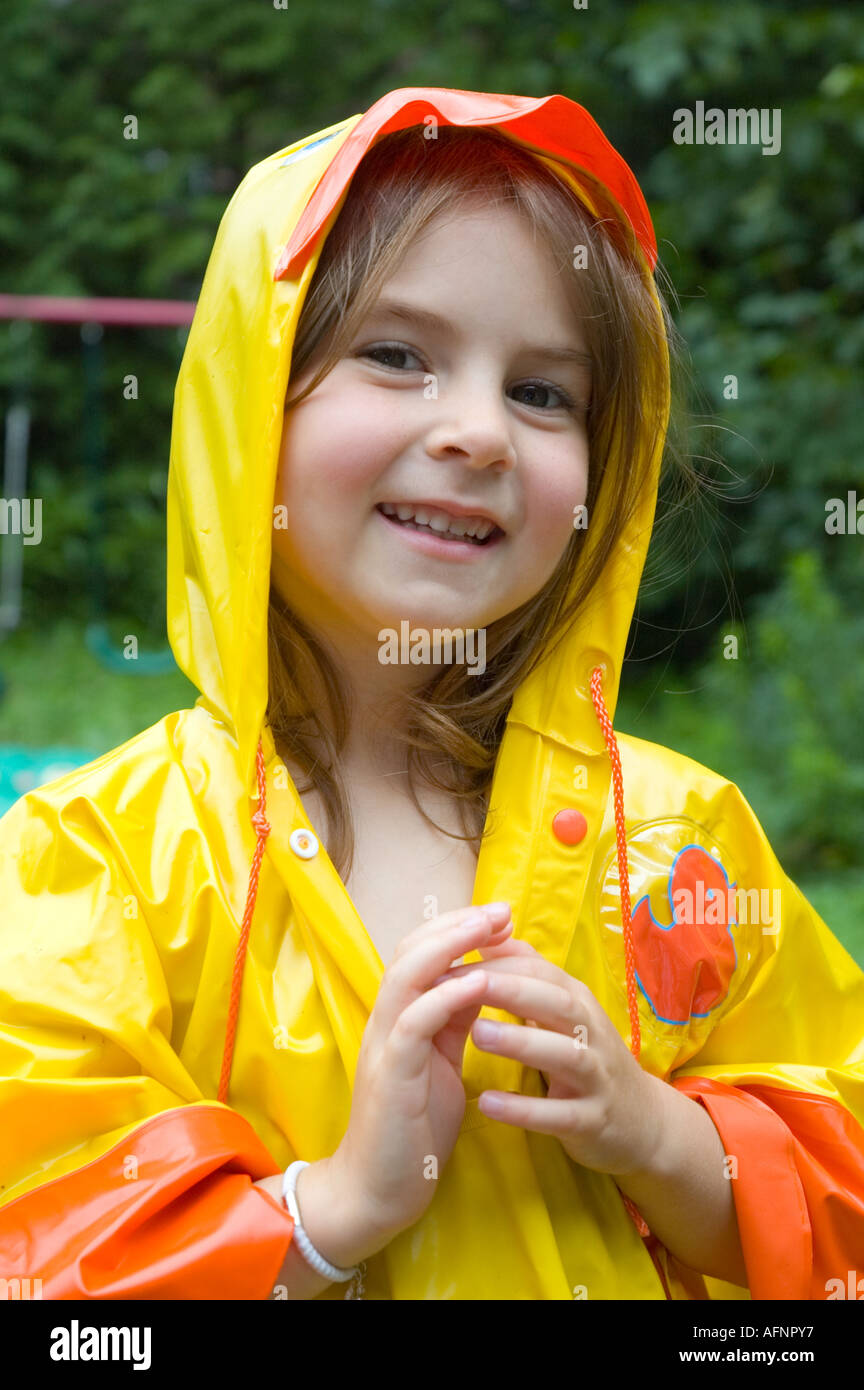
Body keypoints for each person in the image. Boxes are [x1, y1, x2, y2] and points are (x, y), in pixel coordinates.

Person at [1, 87, 862, 1302]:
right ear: (251, 407)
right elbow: (49, 1266)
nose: (479, 432)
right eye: (397, 356)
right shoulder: (92, 872)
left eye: (544, 392)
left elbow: (845, 1199)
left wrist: (660, 1137)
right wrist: (336, 1207)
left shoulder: (683, 850)